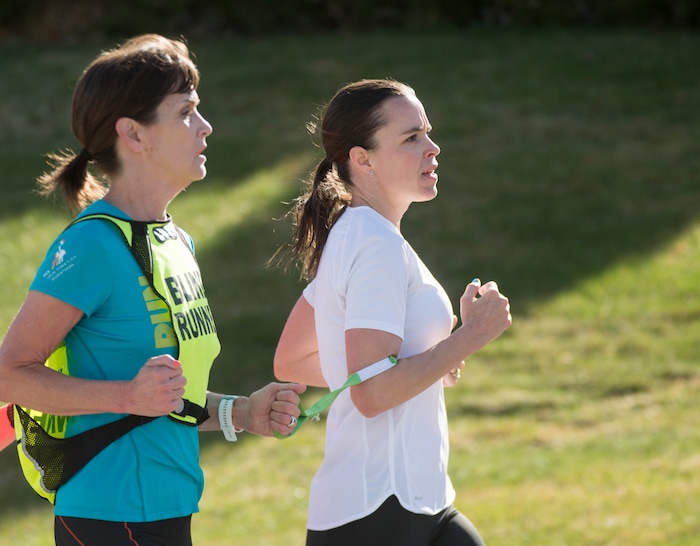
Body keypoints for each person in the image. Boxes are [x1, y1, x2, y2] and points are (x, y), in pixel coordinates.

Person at [0, 34, 304, 546]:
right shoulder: (93, 245)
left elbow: (165, 401)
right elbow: (9, 374)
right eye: (186, 112)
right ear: (133, 134)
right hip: (108, 515)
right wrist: (126, 395)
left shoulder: (175, 240)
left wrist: (243, 413)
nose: (205, 127)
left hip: (169, 511)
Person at [273, 79, 512, 546]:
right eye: (411, 138)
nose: (433, 148)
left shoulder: (357, 235)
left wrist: (429, 360)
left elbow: (293, 358)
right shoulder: (372, 244)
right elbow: (372, 391)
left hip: (415, 502)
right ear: (362, 159)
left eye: (426, 132)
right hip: (378, 513)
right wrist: (469, 338)